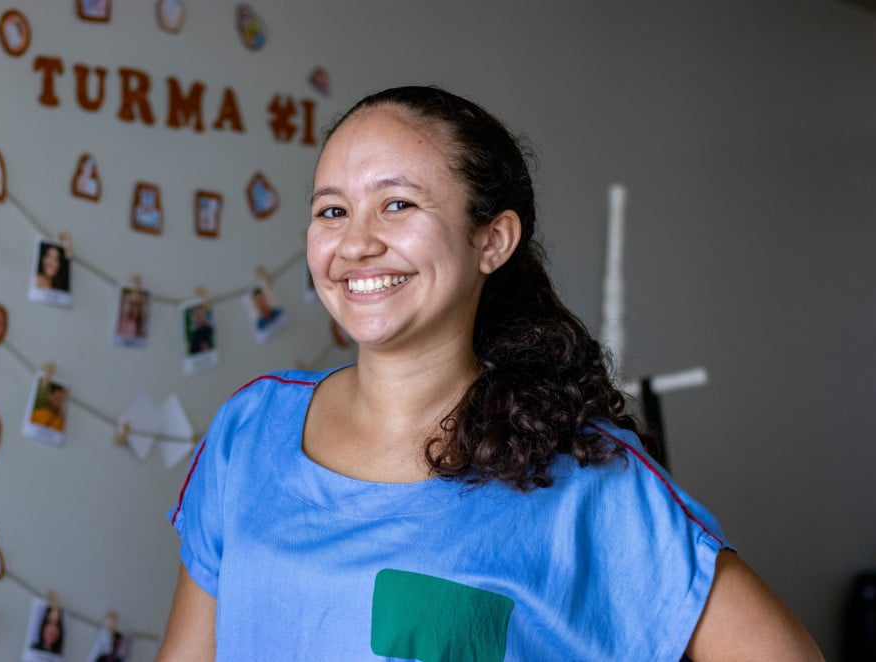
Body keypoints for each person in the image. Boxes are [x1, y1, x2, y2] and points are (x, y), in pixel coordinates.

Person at [158, 86, 822, 660]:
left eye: (397, 204)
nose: (355, 242)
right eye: (332, 210)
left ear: (491, 241)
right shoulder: (250, 429)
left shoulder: (583, 475)